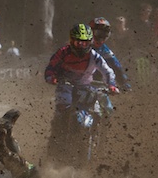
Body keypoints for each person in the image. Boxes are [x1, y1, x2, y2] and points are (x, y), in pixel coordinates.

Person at [43, 23, 119, 153]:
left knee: (99, 110)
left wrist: (111, 85)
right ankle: (55, 140)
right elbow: (51, 67)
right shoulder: (63, 52)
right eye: (78, 43)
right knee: (62, 109)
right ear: (72, 41)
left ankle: (98, 140)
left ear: (90, 42)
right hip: (66, 86)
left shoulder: (94, 56)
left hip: (86, 88)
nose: (82, 46)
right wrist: (51, 77)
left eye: (85, 43)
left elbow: (107, 71)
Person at [90, 16, 131, 91]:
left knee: (106, 102)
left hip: (97, 84)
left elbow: (116, 66)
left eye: (104, 33)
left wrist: (123, 82)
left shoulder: (104, 50)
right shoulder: (80, 45)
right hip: (77, 83)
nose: (101, 36)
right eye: (99, 33)